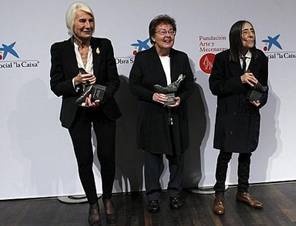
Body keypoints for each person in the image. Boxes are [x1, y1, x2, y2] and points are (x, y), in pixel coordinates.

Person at [50, 2, 121, 225]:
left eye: (90, 21)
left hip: (103, 109)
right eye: (82, 21)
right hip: (76, 112)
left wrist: (101, 96)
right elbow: (56, 86)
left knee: (108, 157)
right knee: (84, 160)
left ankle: (108, 198)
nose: (88, 25)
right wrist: (75, 81)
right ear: (72, 23)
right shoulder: (59, 49)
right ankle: (93, 203)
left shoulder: (104, 45)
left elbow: (113, 81)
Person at [129, 14, 195, 213]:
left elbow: (189, 85)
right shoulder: (143, 58)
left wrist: (180, 98)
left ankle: (175, 194)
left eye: (171, 32)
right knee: (151, 160)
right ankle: (153, 197)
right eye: (163, 32)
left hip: (176, 114)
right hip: (151, 115)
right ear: (152, 36)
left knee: (176, 157)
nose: (168, 36)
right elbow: (133, 85)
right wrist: (152, 96)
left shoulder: (181, 57)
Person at [209, 20, 268, 215]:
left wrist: (261, 101)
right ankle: (219, 194)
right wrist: (239, 80)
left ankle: (243, 191)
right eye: (246, 32)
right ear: (236, 36)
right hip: (229, 114)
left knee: (246, 154)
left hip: (249, 113)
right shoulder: (222, 58)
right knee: (225, 154)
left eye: (252, 30)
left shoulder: (261, 58)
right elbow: (215, 87)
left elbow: (263, 87)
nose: (251, 35)